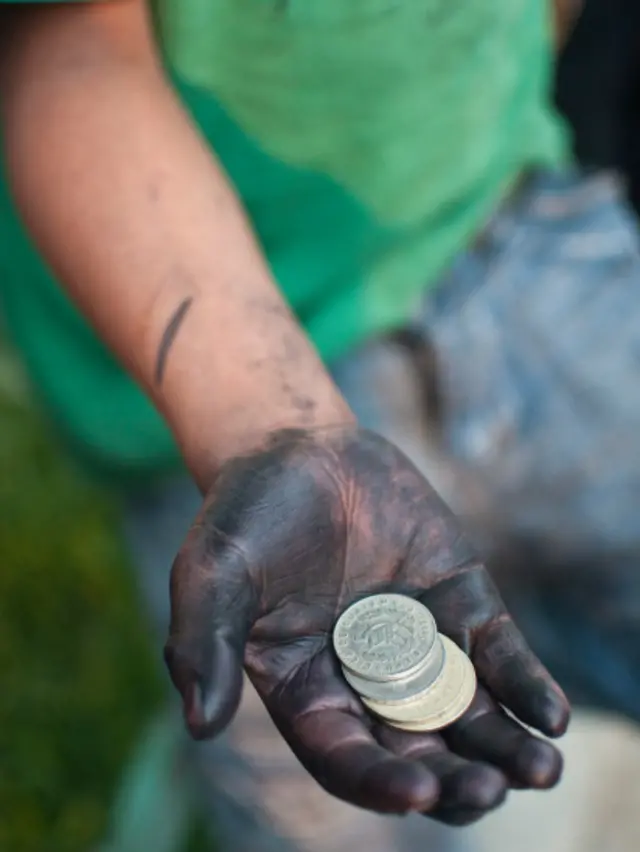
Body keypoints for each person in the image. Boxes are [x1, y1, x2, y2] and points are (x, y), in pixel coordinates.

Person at [2, 0, 619, 849]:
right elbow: (66, 45)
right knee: (338, 817)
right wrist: (268, 423)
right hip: (191, 380)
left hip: (520, 231)